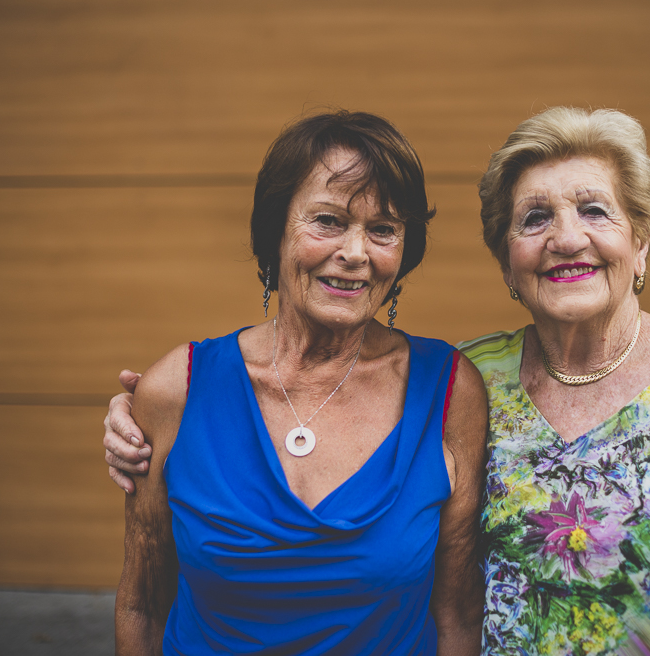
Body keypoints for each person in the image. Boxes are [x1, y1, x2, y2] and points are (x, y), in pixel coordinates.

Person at [108, 107, 650, 655]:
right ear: (507, 262)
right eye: (535, 219)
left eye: (595, 210)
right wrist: (131, 422)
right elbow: (146, 587)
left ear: (641, 239)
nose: (567, 237)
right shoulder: (479, 378)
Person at [111, 110, 487, 655]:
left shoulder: (451, 392)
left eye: (383, 230)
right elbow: (139, 603)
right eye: (328, 221)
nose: (356, 253)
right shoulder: (177, 389)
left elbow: (457, 612)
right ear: (275, 231)